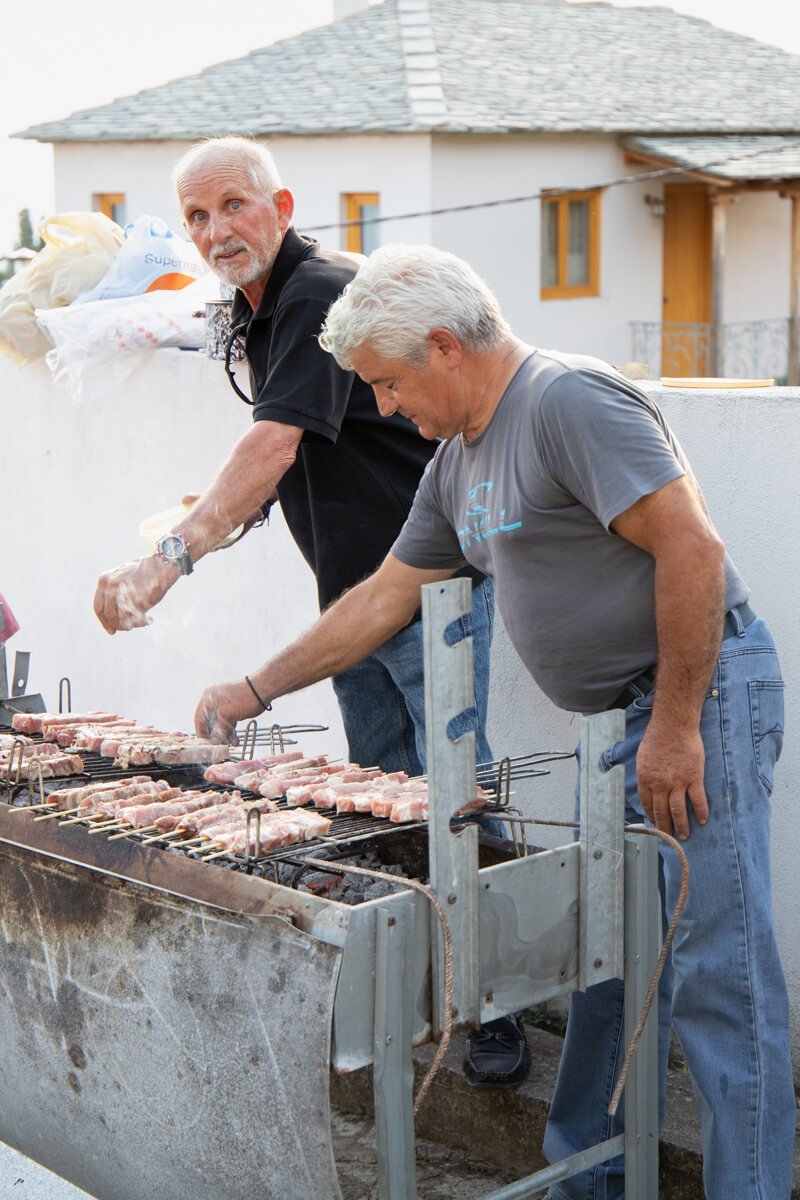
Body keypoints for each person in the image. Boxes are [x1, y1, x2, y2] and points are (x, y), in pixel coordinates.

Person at [194, 243, 795, 1199]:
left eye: (389, 384)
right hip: (626, 720)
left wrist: (678, 727)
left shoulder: (567, 401)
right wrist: (253, 688)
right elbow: (384, 595)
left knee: (721, 974)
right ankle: (582, 1177)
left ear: (444, 346)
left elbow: (694, 548)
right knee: (612, 954)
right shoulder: (457, 460)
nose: (385, 408)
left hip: (696, 698)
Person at [91, 136, 495, 782]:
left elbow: (275, 441)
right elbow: (305, 441)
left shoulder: (316, 291)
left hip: (426, 586)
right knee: (380, 792)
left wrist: (168, 559)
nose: (216, 231)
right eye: (197, 216)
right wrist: (225, 515)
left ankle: (484, 884)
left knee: (453, 796)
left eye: (233, 205)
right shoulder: (259, 308)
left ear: (281, 206)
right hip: (352, 598)